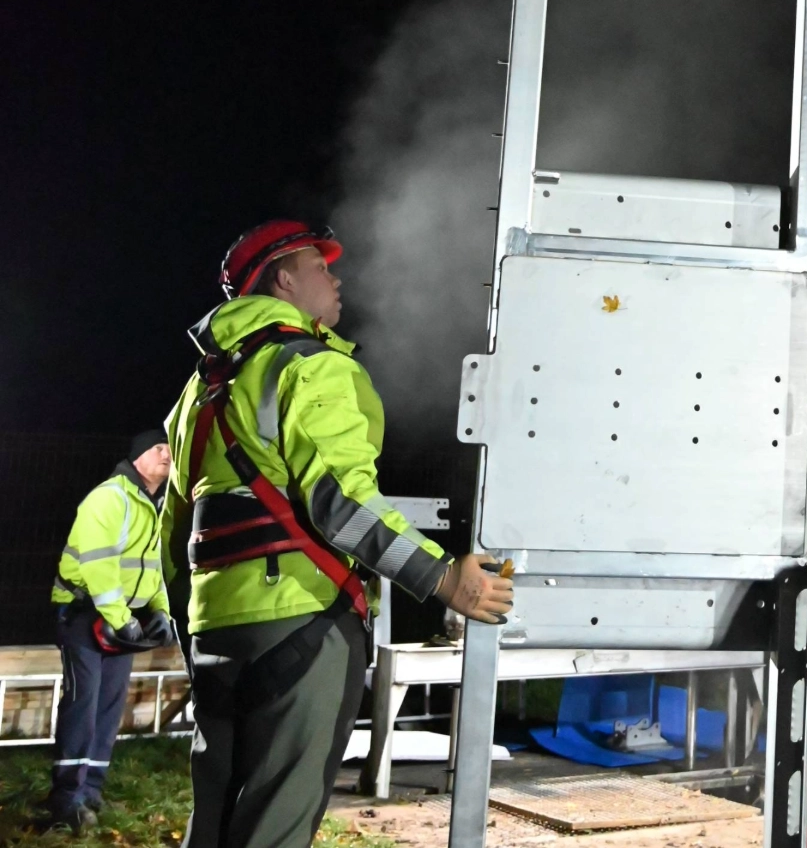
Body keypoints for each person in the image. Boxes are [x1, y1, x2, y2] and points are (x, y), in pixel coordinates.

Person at [159, 220, 514, 848]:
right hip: (302, 625)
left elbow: (174, 529)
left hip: (218, 630)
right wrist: (442, 579)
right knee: (275, 827)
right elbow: (343, 501)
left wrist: (194, 630)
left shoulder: (199, 390)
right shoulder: (307, 364)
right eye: (320, 266)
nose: (336, 277)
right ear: (283, 279)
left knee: (214, 821)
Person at [46, 430, 177, 832]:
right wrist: (124, 620)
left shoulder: (154, 505)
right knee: (83, 705)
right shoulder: (110, 498)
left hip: (119, 621)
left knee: (107, 709)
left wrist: (161, 612)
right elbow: (99, 565)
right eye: (158, 448)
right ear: (137, 457)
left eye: (170, 448)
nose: (167, 454)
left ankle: (90, 795)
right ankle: (66, 798)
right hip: (85, 615)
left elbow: (152, 568)